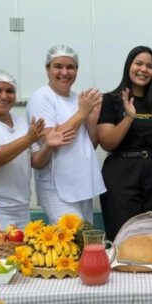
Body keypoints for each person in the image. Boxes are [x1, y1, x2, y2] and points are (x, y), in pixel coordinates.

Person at [0, 69, 74, 228]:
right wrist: (28, 139)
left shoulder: (20, 121)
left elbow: (36, 162)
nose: (4, 96)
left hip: (20, 208)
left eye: (10, 91)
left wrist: (48, 146)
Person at [97, 46, 152, 240]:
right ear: (129, 66)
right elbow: (107, 142)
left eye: (149, 66)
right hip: (120, 173)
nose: (143, 69)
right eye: (139, 64)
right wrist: (129, 117)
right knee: (121, 235)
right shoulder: (111, 100)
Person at [27, 45, 105, 225]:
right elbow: (49, 138)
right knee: (72, 237)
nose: (64, 72)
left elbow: (89, 145)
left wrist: (91, 121)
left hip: (82, 185)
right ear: (47, 69)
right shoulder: (41, 98)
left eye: (70, 67)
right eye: (58, 66)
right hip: (57, 188)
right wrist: (82, 113)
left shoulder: (78, 99)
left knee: (85, 239)